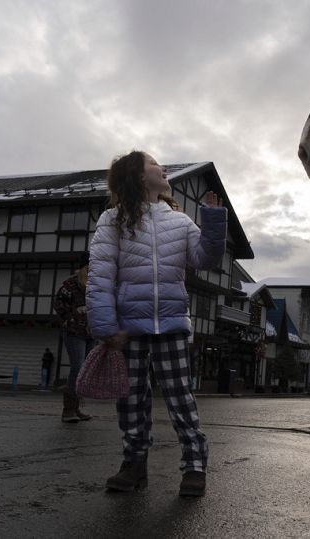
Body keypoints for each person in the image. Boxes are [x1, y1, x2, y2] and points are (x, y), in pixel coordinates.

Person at [86, 151, 226, 497]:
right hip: (128, 328)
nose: (162, 168)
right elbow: (100, 275)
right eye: (153, 163)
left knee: (181, 397)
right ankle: (134, 464)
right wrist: (105, 327)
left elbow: (204, 258)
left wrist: (213, 221)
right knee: (131, 400)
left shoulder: (179, 221)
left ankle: (194, 465)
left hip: (172, 324)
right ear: (136, 175)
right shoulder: (112, 220)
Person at [53, 258, 94, 422]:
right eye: (89, 267)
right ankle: (68, 410)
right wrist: (71, 316)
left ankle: (76, 408)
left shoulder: (95, 286)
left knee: (84, 370)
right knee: (77, 366)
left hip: (90, 331)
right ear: (82, 268)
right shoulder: (70, 285)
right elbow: (58, 303)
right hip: (74, 330)